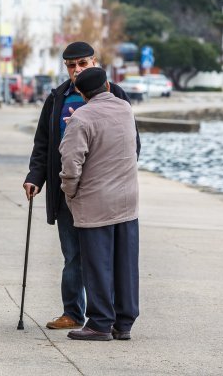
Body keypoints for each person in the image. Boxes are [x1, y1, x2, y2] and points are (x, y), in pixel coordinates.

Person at [23, 42, 138, 330]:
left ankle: (105, 315)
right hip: (68, 190)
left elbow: (132, 145)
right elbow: (44, 144)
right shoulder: (57, 97)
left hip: (101, 192)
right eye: (71, 65)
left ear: (95, 63)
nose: (77, 70)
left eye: (83, 64)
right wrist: (35, 177)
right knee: (73, 255)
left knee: (104, 257)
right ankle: (73, 312)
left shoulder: (117, 96)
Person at [59, 67, 140, 341]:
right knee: (125, 264)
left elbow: (71, 165)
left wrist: (70, 194)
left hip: (95, 204)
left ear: (81, 93)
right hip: (128, 202)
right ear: (106, 85)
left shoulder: (81, 118)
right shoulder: (126, 110)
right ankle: (124, 322)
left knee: (97, 266)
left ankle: (100, 323)